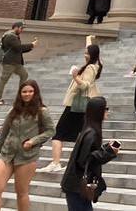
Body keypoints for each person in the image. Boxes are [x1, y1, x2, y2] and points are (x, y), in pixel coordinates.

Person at [0, 80, 52, 211]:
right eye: (24, 91)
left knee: (21, 193)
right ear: (20, 93)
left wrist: (33, 141)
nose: (27, 94)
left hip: (27, 157)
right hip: (6, 154)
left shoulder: (42, 111)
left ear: (35, 93)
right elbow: (3, 134)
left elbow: (51, 131)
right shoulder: (13, 110)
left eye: (30, 91)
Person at [40, 44, 102, 173]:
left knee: (59, 133)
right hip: (80, 106)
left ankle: (56, 162)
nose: (85, 55)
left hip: (76, 106)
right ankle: (79, 162)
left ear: (92, 55)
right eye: (85, 53)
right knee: (80, 134)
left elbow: (85, 86)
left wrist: (75, 77)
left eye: (87, 53)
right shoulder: (93, 66)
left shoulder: (90, 67)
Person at [60, 95, 118, 211]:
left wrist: (106, 148)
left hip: (77, 185)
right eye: (106, 109)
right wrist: (108, 152)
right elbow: (84, 161)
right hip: (77, 186)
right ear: (99, 111)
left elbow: (88, 154)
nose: (108, 111)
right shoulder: (91, 133)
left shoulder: (89, 130)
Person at [0, 21, 37, 106]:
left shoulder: (14, 36)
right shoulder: (10, 36)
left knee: (24, 75)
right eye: (21, 28)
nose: (22, 30)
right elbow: (18, 47)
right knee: (3, 80)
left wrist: (31, 47)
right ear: (16, 27)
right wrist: (31, 45)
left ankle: (21, 98)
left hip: (16, 63)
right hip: (9, 63)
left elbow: (19, 50)